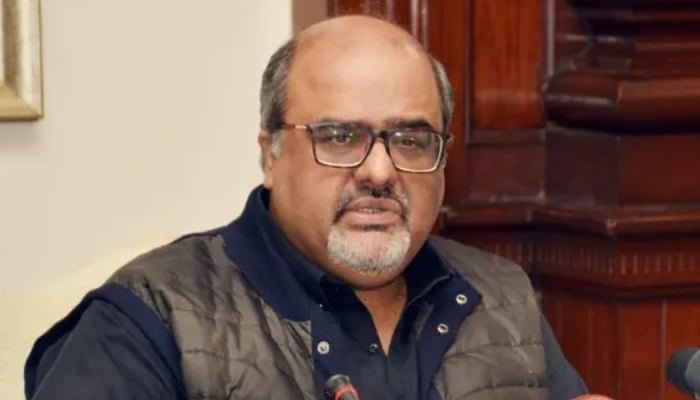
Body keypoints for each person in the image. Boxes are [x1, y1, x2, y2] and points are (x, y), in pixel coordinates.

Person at [24, 15, 587, 400]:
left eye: (411, 140)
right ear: (270, 153)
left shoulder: (499, 296)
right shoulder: (149, 318)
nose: (379, 171)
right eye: (339, 136)